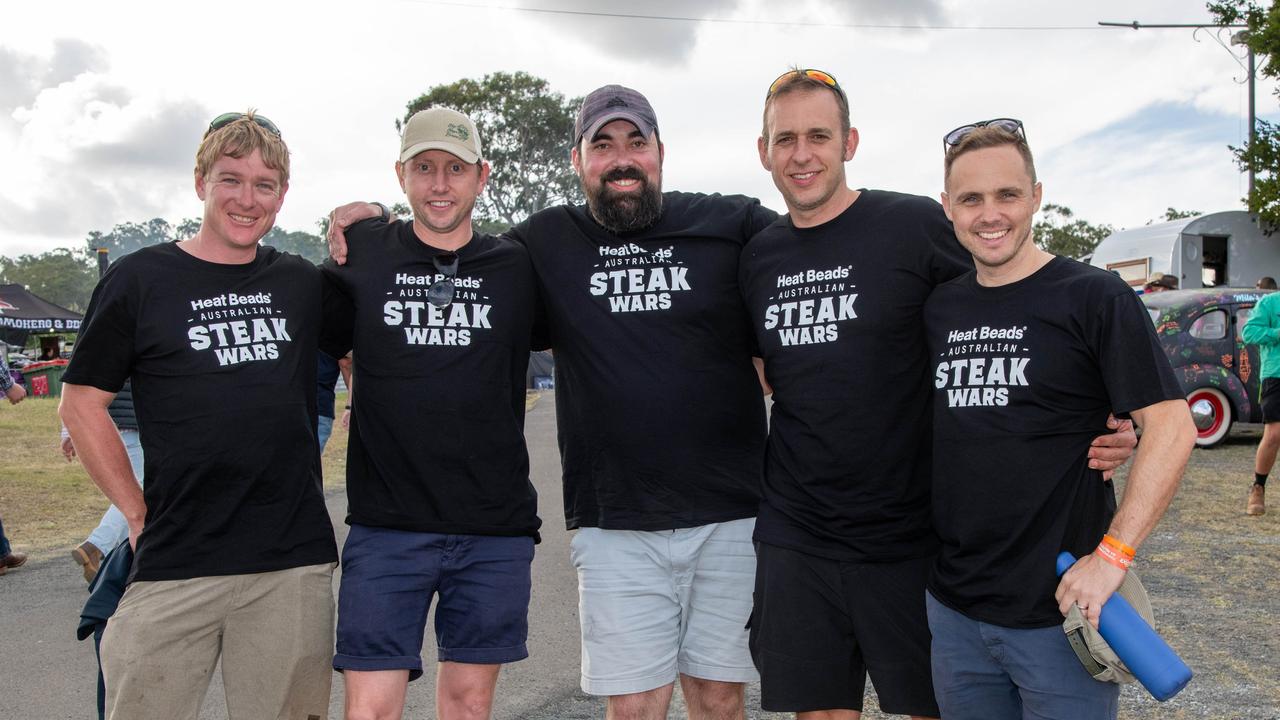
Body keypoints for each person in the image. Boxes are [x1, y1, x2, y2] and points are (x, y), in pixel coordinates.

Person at [329, 85, 778, 720]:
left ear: (659, 153)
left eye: (635, 142)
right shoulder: (542, 243)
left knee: (720, 697)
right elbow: (446, 243)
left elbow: (809, 253)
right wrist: (373, 221)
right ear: (578, 160)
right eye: (602, 145)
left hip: (730, 511)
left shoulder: (729, 223)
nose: (620, 158)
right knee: (636, 705)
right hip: (614, 516)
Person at [738, 70, 1136, 719]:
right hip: (797, 536)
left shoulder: (913, 224)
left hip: (911, 538)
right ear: (764, 152)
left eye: (818, 135)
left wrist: (1105, 413)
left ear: (850, 142)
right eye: (785, 139)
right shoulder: (758, 257)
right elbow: (767, 367)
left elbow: (1014, 299)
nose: (801, 153)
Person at [58, 111, 338, 720]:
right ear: (200, 181)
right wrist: (134, 511)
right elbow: (81, 403)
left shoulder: (299, 282)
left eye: (265, 185)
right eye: (230, 179)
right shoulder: (141, 279)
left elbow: (369, 344)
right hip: (174, 559)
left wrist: (363, 224)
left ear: (283, 195)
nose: (246, 198)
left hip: (289, 564)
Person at [921, 120, 1196, 719]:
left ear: (1037, 196)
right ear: (948, 208)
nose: (989, 214)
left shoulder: (1094, 297)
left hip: (1062, 614)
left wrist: (1114, 557)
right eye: (971, 198)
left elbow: (1173, 427)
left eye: (1007, 195)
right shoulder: (940, 307)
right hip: (956, 612)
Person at [321, 106, 542, 720]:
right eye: (424, 168)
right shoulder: (362, 253)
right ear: (401, 176)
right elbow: (321, 344)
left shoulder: (517, 266)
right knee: (370, 710)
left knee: (468, 707)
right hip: (387, 524)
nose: (440, 184)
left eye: (455, 169)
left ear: (482, 176)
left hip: (491, 526)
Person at [64, 381, 143, 583]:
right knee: (134, 493)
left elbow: (75, 384)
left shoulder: (91, 351)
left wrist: (69, 430)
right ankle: (96, 545)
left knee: (127, 491)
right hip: (130, 423)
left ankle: (117, 560)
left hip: (103, 424)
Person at [1240, 282, 1280, 515]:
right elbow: (1249, 333)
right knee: (1274, 434)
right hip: (1275, 374)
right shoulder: (1269, 302)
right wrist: (1277, 333)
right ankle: (1258, 487)